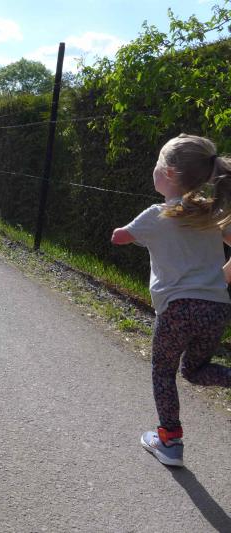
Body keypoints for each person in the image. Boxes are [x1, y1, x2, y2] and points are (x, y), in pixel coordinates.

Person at [111, 134, 231, 467]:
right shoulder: (210, 213)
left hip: (177, 309)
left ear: (169, 174)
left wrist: (137, 233)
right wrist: (223, 276)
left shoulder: (158, 213)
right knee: (195, 370)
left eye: (157, 163)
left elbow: (119, 237)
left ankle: (170, 441)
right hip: (216, 309)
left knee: (163, 372)